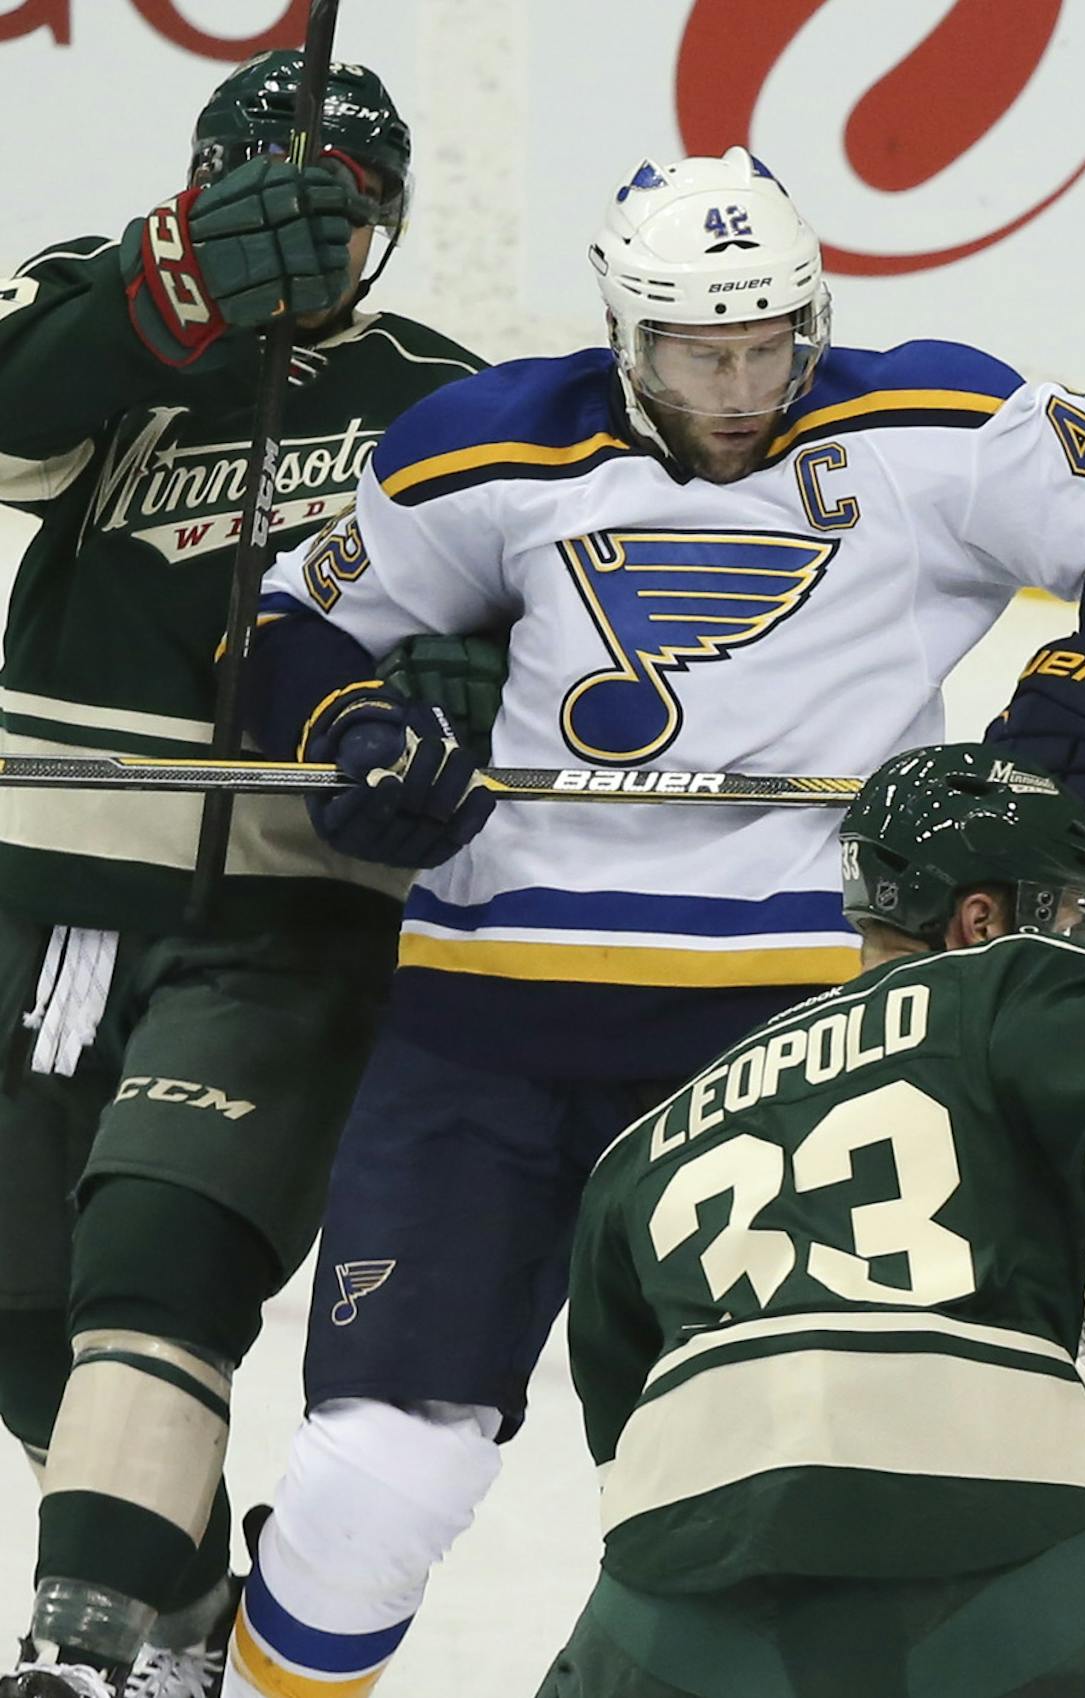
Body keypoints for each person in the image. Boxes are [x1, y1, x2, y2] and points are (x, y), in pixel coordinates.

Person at [219, 152, 1085, 1698]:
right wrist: (361, 733)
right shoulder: (487, 442)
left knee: (799, 1492)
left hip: (804, 1038)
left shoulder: (925, 423)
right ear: (623, 331)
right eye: (696, 352)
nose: (736, 384)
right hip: (489, 1026)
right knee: (370, 1484)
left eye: (769, 342)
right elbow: (285, 618)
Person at [533, 741, 1085, 1698]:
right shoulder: (1006, 988)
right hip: (994, 1560)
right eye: (1069, 913)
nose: (1078, 938)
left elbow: (623, 1438)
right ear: (982, 916)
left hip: (666, 1610)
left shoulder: (645, 1145)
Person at [0, 52, 489, 1698]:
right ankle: (183, 1611)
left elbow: (524, 629)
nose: (320, 244)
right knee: (21, 1297)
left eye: (347, 214)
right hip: (35, 895)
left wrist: (458, 711)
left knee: (160, 1253)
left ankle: (83, 1644)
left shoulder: (444, 402)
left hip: (282, 913)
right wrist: (179, 278)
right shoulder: (106, 317)